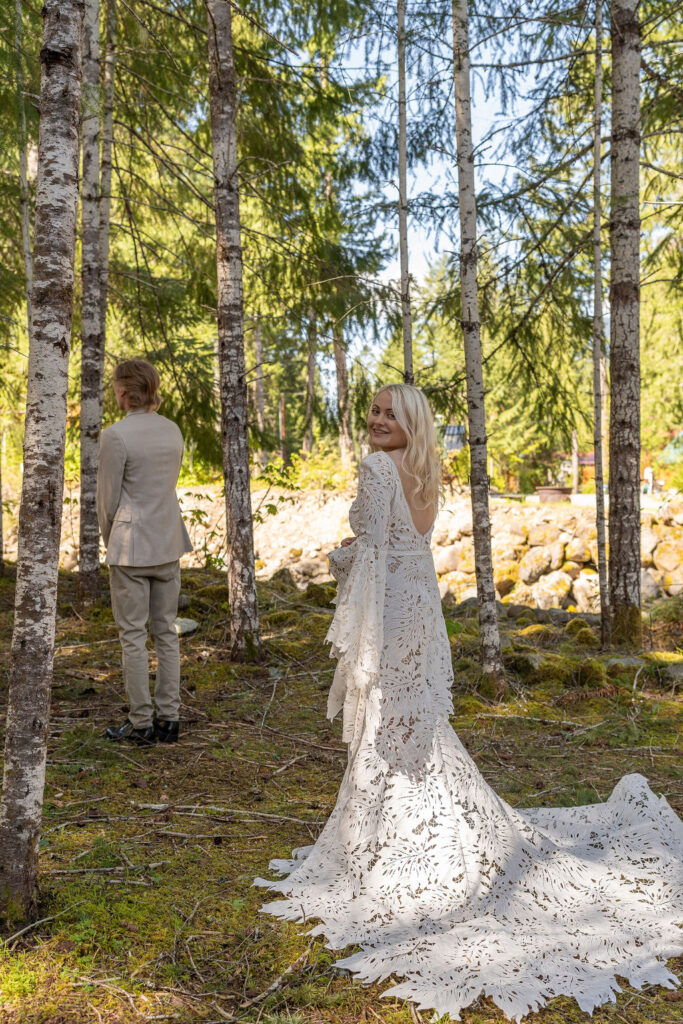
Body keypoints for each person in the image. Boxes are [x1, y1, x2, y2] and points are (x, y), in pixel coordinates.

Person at [256, 383, 683, 1022]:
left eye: (387, 414)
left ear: (410, 423)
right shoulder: (427, 471)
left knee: (388, 719)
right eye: (371, 411)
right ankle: (399, 828)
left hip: (392, 610)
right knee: (410, 723)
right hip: (419, 602)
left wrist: (336, 558)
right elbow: (407, 542)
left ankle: (388, 845)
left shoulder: (377, 468)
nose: (375, 421)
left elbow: (371, 546)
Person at [97, 359, 193, 746]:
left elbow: (107, 501)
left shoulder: (115, 436)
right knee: (166, 633)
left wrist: (111, 540)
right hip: (168, 542)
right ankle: (170, 719)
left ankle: (141, 723)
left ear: (123, 392)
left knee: (133, 637)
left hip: (130, 547)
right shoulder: (172, 430)